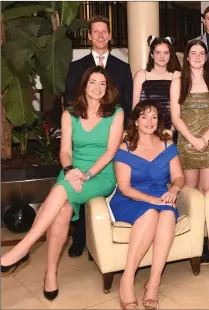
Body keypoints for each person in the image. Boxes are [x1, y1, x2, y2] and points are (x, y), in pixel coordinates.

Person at [1, 66, 124, 302]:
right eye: (93, 82)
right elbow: (65, 151)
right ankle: (50, 273)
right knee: (62, 211)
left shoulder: (115, 113)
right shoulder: (69, 114)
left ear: (107, 89)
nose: (97, 88)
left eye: (102, 84)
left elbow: (110, 152)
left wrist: (86, 175)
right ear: (84, 85)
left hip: (101, 174)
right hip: (71, 172)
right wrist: (70, 171)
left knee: (60, 191)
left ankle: (23, 248)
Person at [64, 15, 133, 258]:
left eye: (105, 31)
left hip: (112, 137)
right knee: (80, 185)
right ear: (90, 36)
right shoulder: (76, 66)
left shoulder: (123, 67)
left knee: (107, 190)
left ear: (110, 36)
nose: (101, 35)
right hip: (85, 137)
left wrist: (123, 130)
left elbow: (127, 103)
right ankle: (80, 238)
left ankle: (102, 239)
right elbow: (70, 102)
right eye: (96, 32)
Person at [110, 100, 185, 310]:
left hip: (162, 195)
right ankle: (127, 279)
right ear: (135, 121)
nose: (149, 121)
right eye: (144, 116)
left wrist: (173, 190)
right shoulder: (124, 148)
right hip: (130, 199)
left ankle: (153, 282)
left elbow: (179, 177)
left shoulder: (167, 144)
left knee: (169, 214)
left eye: (154, 117)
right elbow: (124, 187)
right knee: (151, 213)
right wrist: (152, 200)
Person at [170, 39, 209, 263]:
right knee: (190, 189)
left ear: (206, 57)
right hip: (186, 142)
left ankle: (208, 238)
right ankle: (193, 237)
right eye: (192, 52)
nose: (197, 56)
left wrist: (204, 138)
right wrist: (193, 139)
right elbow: (175, 116)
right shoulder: (178, 82)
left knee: (207, 189)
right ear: (186, 57)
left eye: (201, 53)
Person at [132, 36, 181, 134]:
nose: (162, 57)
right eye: (158, 52)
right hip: (145, 129)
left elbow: (180, 108)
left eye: (166, 53)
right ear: (151, 55)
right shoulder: (141, 75)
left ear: (170, 55)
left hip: (171, 130)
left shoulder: (177, 75)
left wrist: (171, 130)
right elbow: (135, 108)